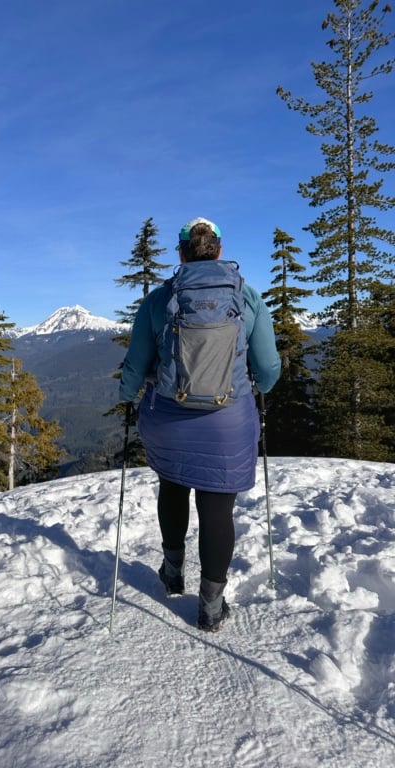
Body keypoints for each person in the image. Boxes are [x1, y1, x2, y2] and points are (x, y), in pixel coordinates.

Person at [119, 216, 281, 631]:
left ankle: (172, 572)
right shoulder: (247, 299)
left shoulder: (159, 301)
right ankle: (210, 606)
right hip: (227, 421)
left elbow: (136, 366)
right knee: (217, 507)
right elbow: (268, 367)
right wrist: (258, 384)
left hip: (169, 418)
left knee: (172, 488)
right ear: (219, 251)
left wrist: (127, 395)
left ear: (181, 254)